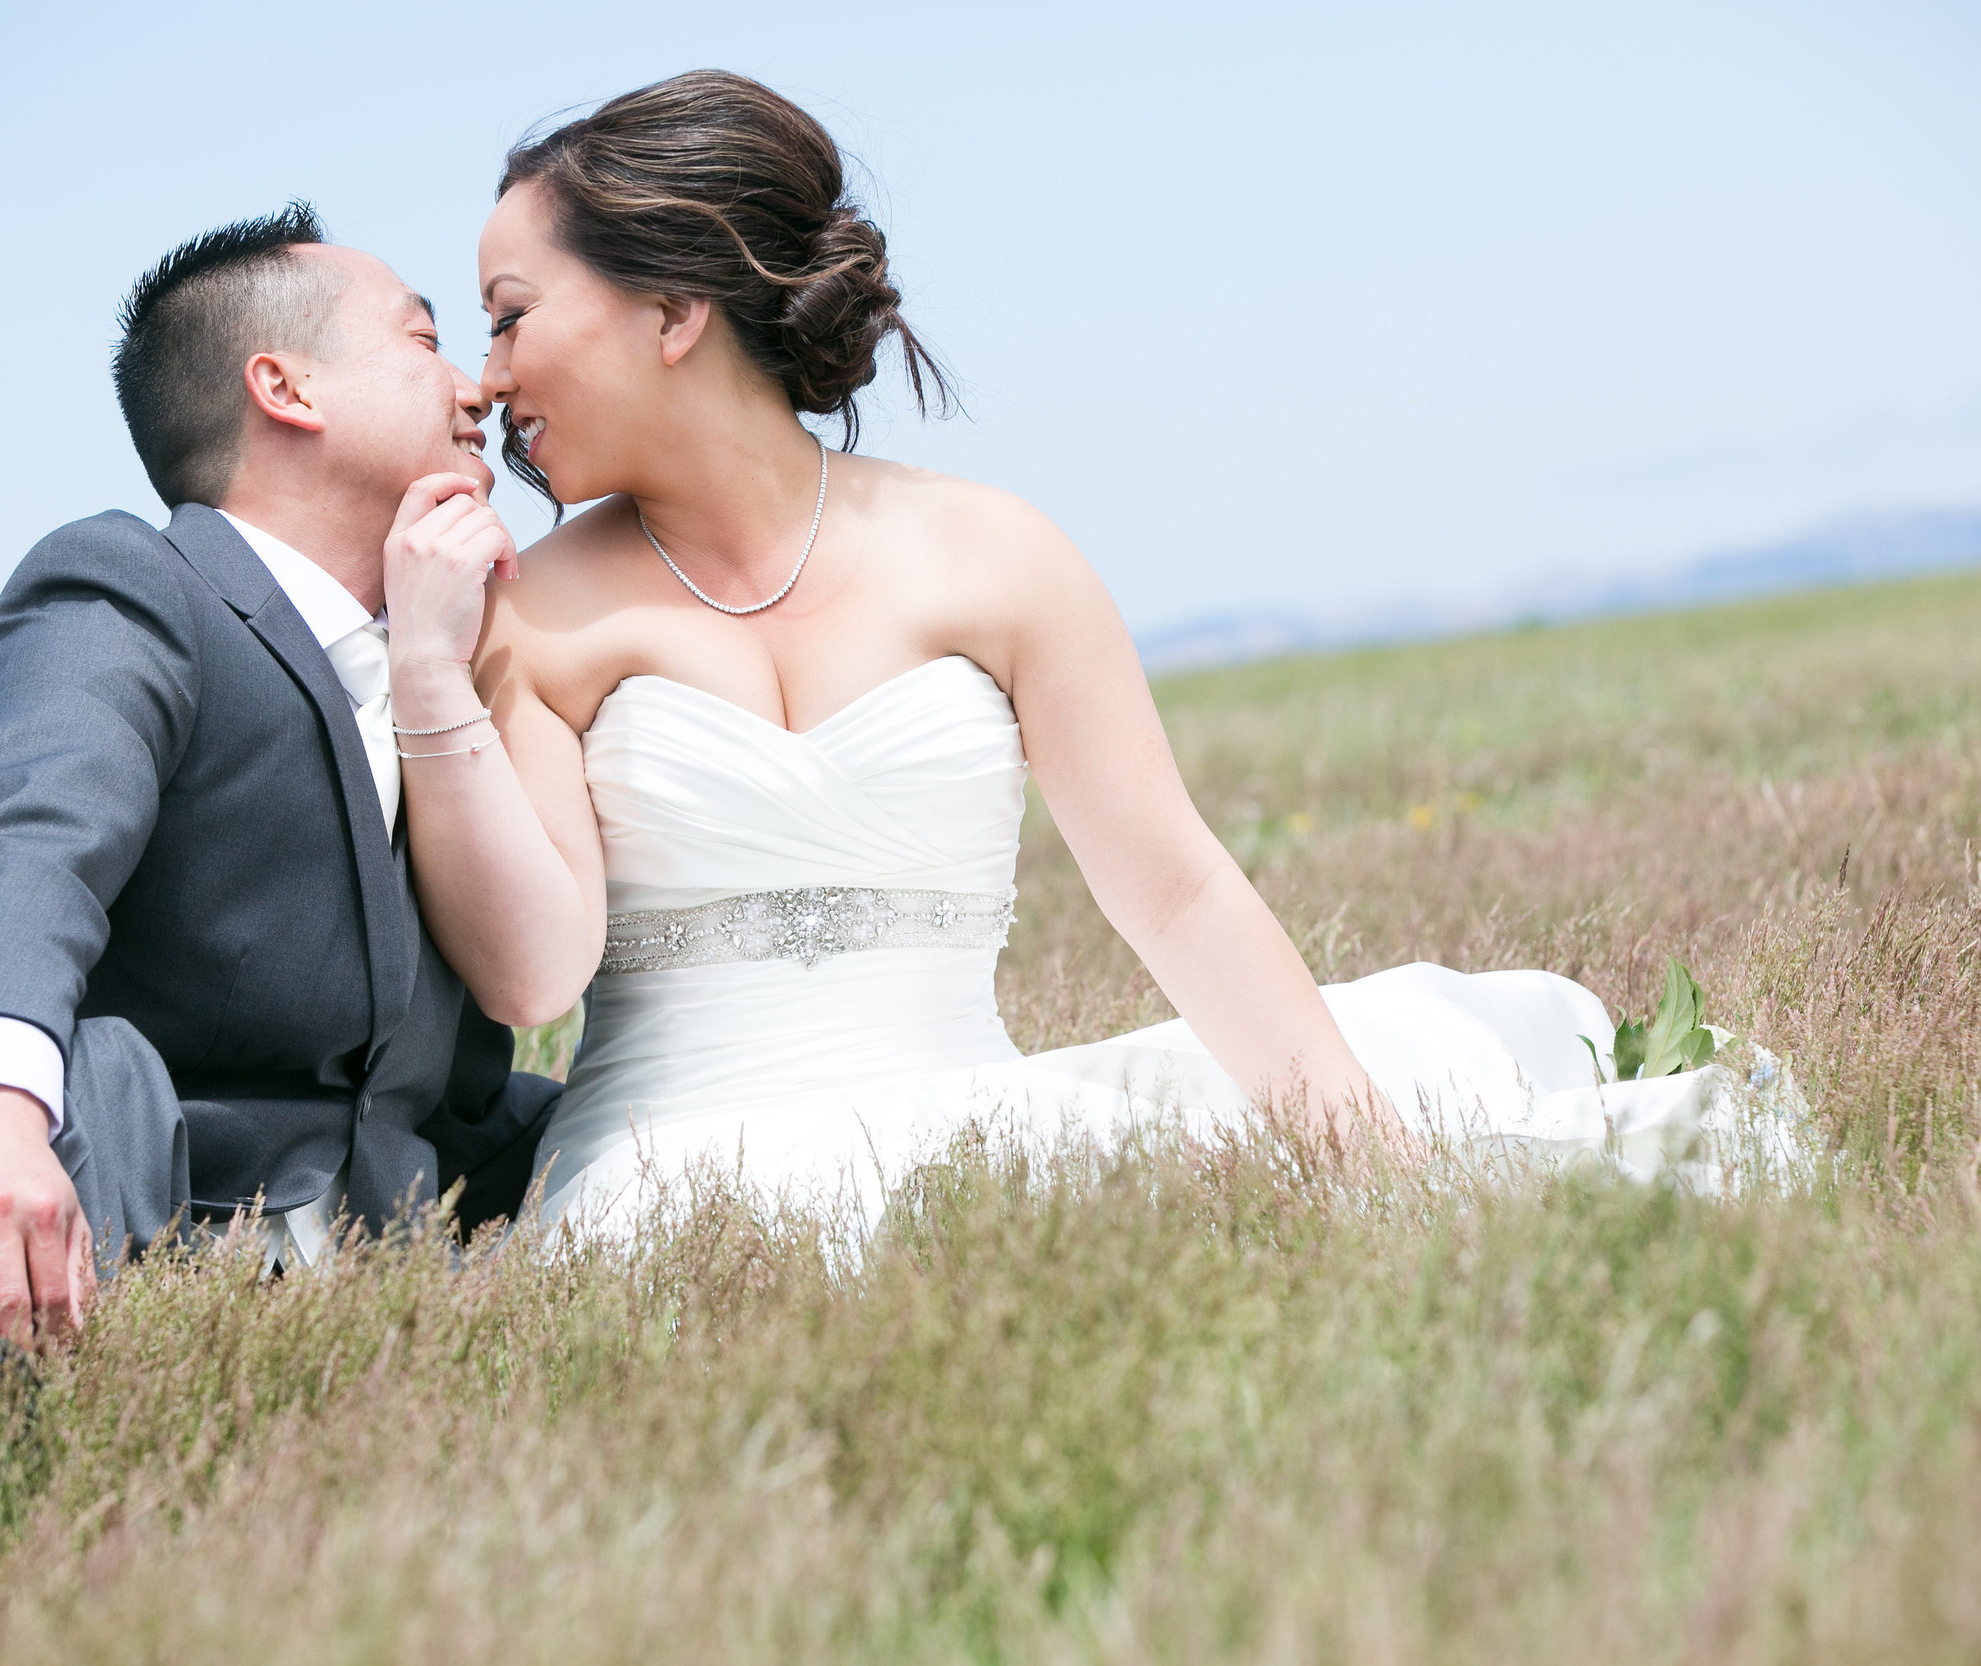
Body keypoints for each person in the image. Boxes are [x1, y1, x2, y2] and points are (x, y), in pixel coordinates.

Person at [385, 71, 1792, 1235]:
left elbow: (1173, 890)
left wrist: (1372, 1169)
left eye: (510, 315)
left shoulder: (997, 556)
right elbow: (533, 984)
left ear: (674, 311)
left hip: (978, 1136)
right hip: (662, 1177)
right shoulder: (526, 613)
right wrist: (435, 674)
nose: (488, 376)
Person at [0, 205, 588, 1375]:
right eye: (423, 338)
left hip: (395, 1199)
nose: (474, 386)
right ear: (286, 389)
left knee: (612, 1127)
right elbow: (23, 844)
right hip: (140, 1183)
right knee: (92, 1069)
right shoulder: (136, 584)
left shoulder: (457, 641)